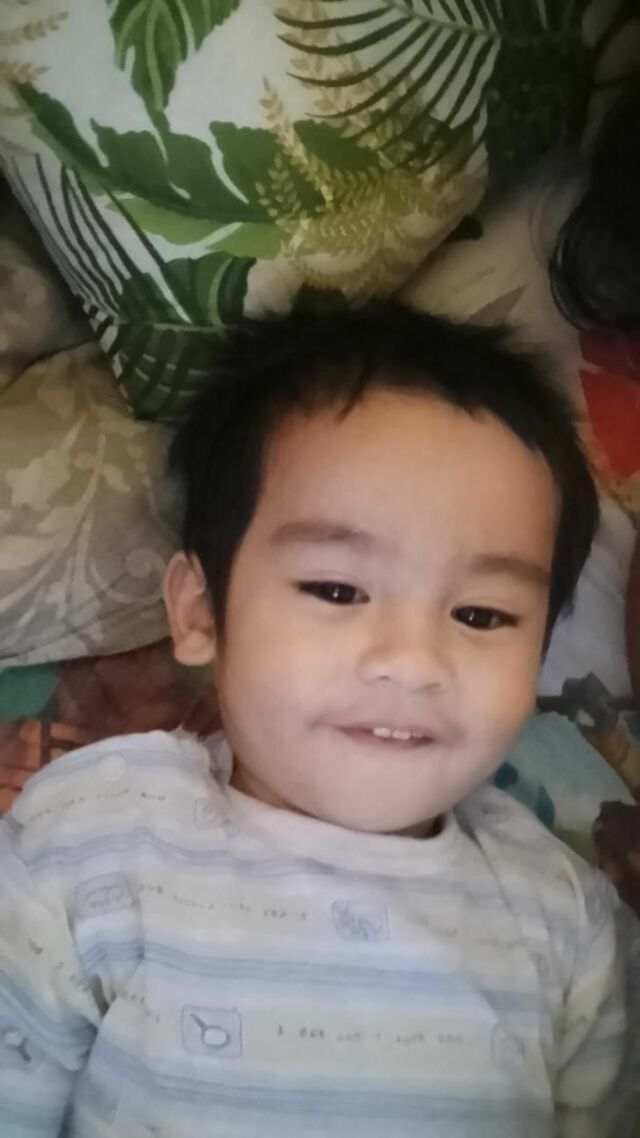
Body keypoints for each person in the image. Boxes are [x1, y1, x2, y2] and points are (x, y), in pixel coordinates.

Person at [0, 302, 630, 1137]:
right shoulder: (94, 841)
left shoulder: (564, 917)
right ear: (201, 612)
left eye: (481, 615)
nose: (412, 661)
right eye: (337, 590)